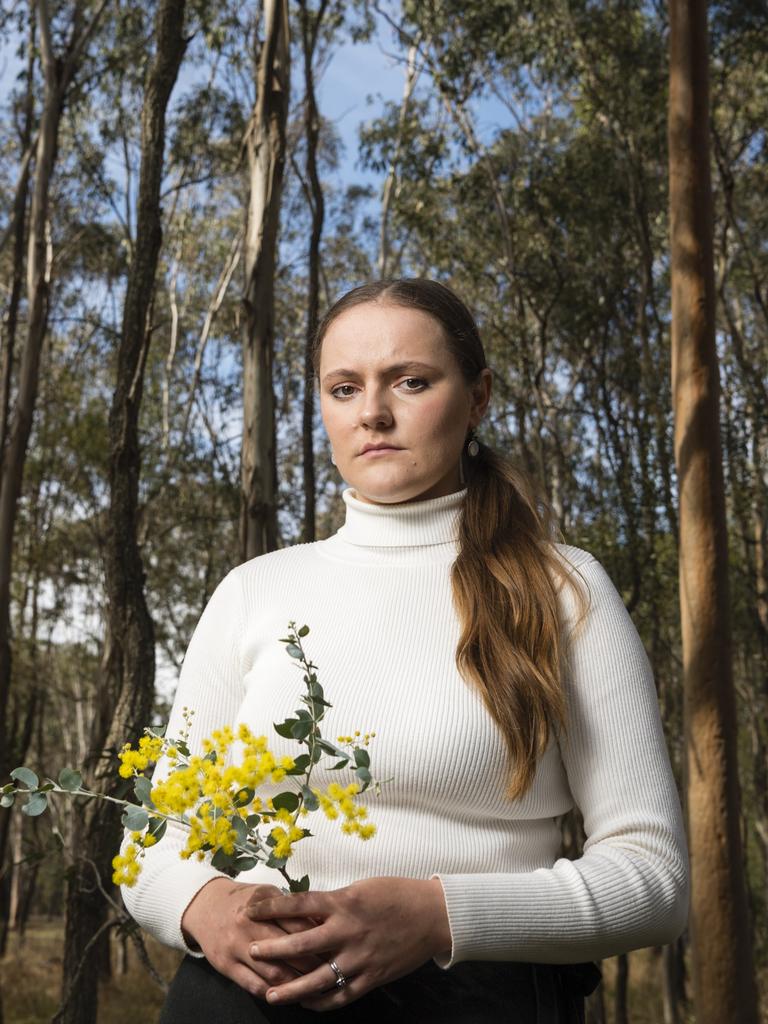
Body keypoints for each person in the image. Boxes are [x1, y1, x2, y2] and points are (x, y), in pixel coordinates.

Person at [120, 278, 689, 1023]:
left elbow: (653, 879)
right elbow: (157, 845)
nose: (373, 414)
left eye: (411, 382)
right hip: (245, 997)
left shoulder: (561, 589)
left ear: (477, 397)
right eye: (343, 388)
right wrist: (205, 903)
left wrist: (436, 915)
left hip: (482, 997)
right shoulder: (253, 592)